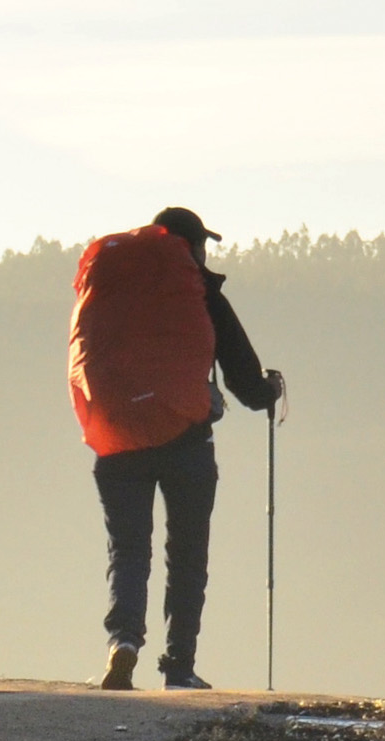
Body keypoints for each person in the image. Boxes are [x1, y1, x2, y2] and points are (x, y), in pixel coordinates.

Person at [69, 206, 278, 691]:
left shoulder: (110, 288)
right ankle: (179, 665)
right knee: (186, 553)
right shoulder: (197, 290)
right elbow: (243, 377)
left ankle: (123, 642)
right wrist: (269, 392)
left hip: (117, 438)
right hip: (186, 441)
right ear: (192, 246)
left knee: (128, 549)